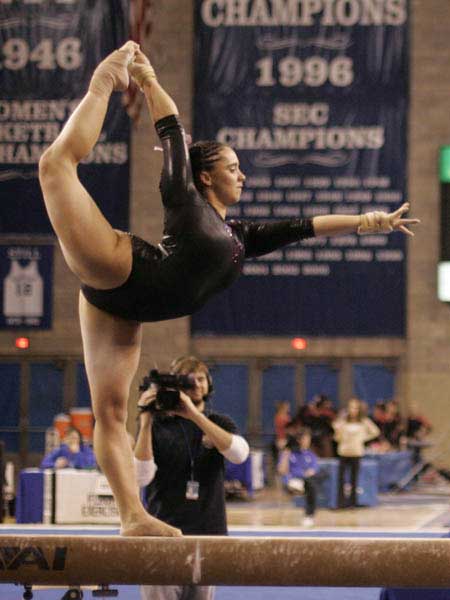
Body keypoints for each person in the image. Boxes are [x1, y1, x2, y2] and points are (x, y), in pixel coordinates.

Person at [38, 40, 419, 536]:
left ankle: (133, 518)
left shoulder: (238, 238)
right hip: (122, 269)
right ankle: (103, 83)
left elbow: (303, 226)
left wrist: (367, 221)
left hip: (123, 310)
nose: (242, 173)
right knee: (54, 166)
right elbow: (170, 126)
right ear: (205, 174)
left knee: (111, 413)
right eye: (232, 166)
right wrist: (147, 81)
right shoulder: (182, 195)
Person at [134, 356, 249, 600]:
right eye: (188, 380)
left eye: (200, 378)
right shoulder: (158, 425)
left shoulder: (218, 423)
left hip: (208, 533)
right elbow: (141, 477)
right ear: (176, 385)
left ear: (209, 384)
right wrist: (144, 422)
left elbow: (239, 454)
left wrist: (194, 416)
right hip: (164, 534)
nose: (196, 384)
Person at [333, 398, 380, 508]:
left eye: (355, 408)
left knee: (354, 479)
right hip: (344, 452)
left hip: (356, 453)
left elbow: (375, 431)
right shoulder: (343, 422)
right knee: (342, 479)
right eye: (350, 407)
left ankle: (353, 502)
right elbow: (337, 437)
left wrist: (363, 438)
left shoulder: (364, 421)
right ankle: (341, 502)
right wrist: (338, 432)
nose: (353, 410)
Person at [277, 427, 319, 527]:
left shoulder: (311, 455)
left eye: (308, 439)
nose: (307, 441)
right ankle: (296, 486)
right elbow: (282, 471)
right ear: (299, 440)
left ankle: (309, 516)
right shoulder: (289, 453)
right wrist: (285, 454)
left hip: (304, 482)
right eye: (305, 439)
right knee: (297, 483)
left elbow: (313, 470)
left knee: (312, 485)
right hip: (290, 481)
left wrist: (307, 474)